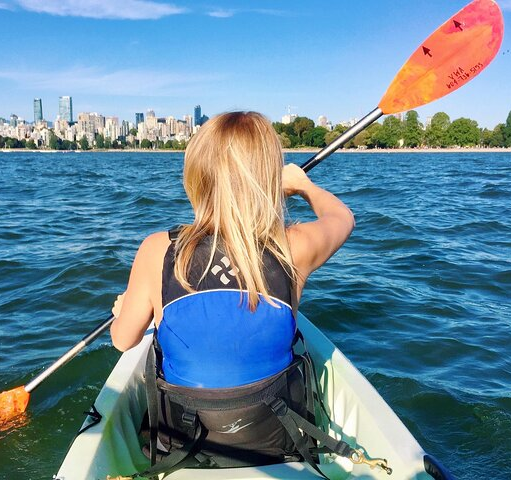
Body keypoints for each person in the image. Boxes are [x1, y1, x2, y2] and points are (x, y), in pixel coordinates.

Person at [110, 111, 354, 472]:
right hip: (276, 443)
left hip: (183, 448)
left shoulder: (157, 250)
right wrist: (304, 186)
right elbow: (343, 218)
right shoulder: (294, 248)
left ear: (196, 175)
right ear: (268, 180)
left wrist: (125, 310)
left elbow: (122, 340)